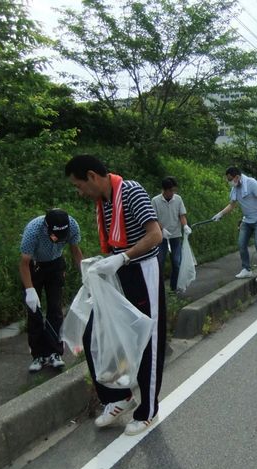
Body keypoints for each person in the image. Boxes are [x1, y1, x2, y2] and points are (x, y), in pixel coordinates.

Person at [65, 154, 166, 436]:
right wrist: (106, 262)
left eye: (79, 185)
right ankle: (117, 397)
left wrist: (122, 259)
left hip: (143, 271)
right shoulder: (105, 202)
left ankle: (148, 410)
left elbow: (155, 235)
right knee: (94, 334)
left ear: (92, 177)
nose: (79, 192)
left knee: (148, 339)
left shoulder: (131, 191)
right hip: (120, 271)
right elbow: (116, 243)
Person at [19, 208, 83, 373]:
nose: (58, 239)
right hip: (34, 266)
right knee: (35, 312)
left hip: (55, 265)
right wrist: (29, 290)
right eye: (55, 236)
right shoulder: (33, 230)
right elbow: (24, 263)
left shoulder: (72, 225)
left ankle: (55, 352)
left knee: (55, 309)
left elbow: (75, 251)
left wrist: (85, 274)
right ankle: (38, 355)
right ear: (47, 227)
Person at [211, 166, 257, 283]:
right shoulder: (235, 189)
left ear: (237, 177)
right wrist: (220, 214)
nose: (229, 182)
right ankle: (246, 269)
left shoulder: (252, 183)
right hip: (247, 220)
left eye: (230, 179)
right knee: (241, 243)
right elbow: (232, 205)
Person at [151, 176, 190, 292]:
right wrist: (161, 229)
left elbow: (182, 215)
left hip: (175, 236)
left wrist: (185, 226)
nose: (173, 193)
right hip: (161, 237)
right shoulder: (155, 201)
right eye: (171, 190)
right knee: (160, 262)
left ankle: (174, 288)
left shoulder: (178, 199)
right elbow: (154, 219)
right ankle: (159, 289)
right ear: (165, 190)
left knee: (177, 262)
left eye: (174, 190)